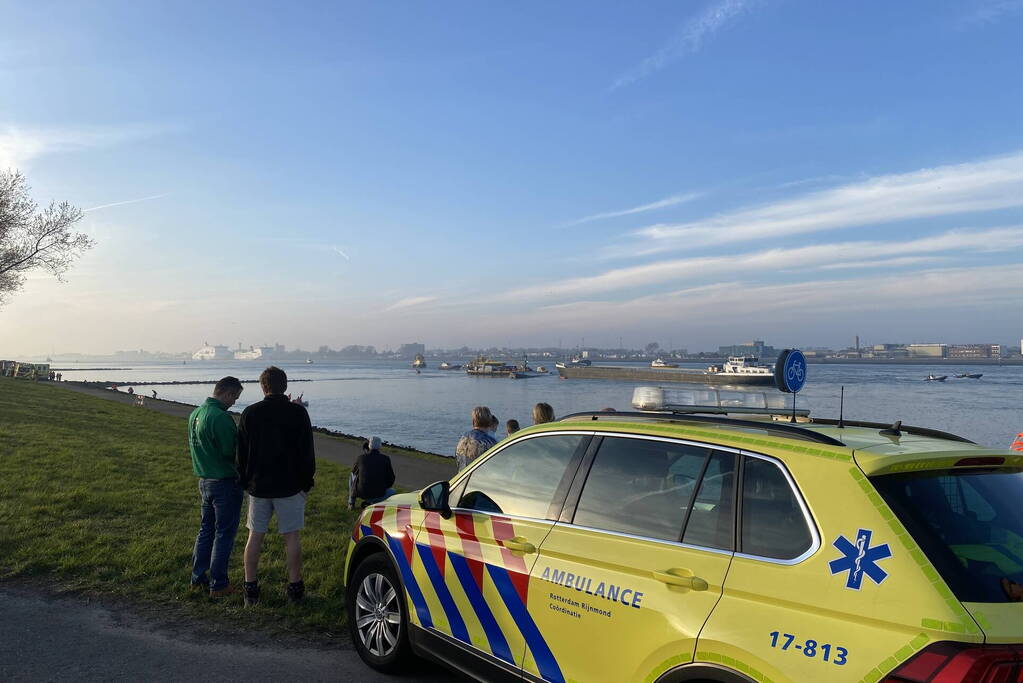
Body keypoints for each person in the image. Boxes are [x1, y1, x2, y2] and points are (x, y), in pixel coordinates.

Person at [237, 366, 316, 606]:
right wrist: (306, 482)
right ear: (286, 386)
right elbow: (307, 452)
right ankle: (295, 588)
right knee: (291, 537)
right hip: (290, 485)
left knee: (255, 536)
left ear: (263, 386)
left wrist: (245, 481)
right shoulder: (298, 414)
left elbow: (241, 454)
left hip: (259, 485)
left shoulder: (250, 413)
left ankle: (250, 589)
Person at [188, 376, 245, 598]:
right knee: (224, 533)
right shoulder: (221, 417)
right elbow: (231, 451)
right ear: (227, 393)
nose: (234, 402)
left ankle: (198, 578)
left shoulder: (196, 414)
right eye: (235, 397)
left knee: (206, 530)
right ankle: (219, 584)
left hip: (204, 479)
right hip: (225, 481)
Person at [351, 436, 396, 506]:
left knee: (352, 476)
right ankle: (375, 503)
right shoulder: (386, 459)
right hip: (379, 494)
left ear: (369, 445)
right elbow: (391, 478)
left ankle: (351, 502)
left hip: (362, 493)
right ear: (380, 446)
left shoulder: (361, 458)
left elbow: (353, 472)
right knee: (393, 491)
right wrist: (384, 486)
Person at [455, 406, 497, 470]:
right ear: (490, 422)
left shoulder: (463, 439)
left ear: (473, 421)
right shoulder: (489, 443)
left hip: (463, 476)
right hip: (479, 478)